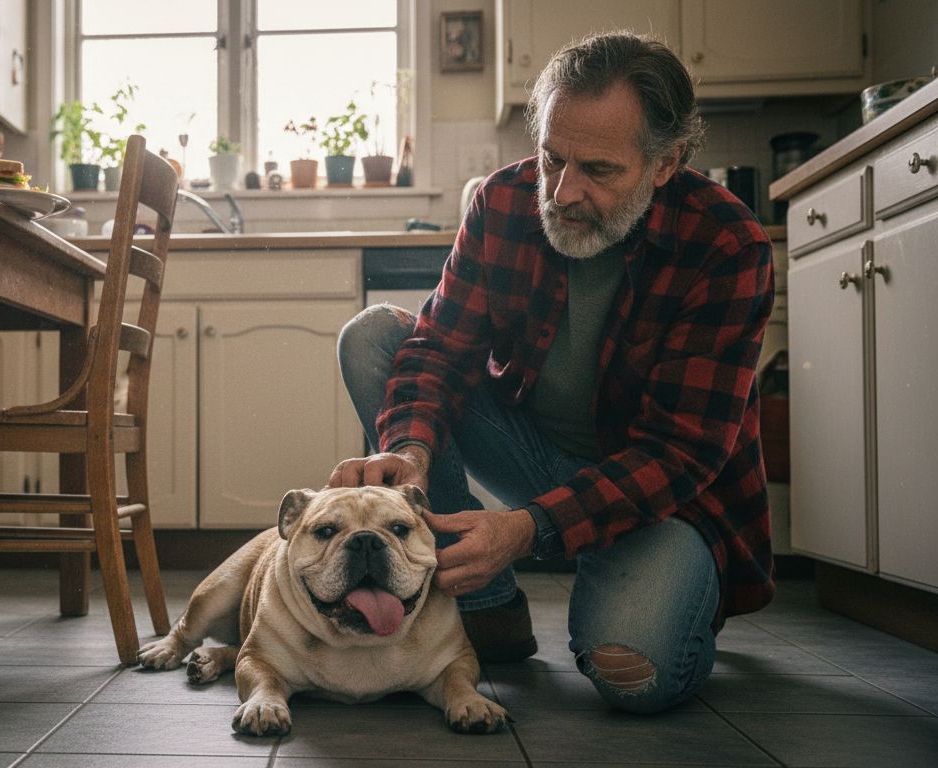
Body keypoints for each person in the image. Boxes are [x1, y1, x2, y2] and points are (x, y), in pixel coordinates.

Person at [329, 31, 775, 714]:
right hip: (537, 458)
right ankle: (487, 611)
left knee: (634, 677)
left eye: (598, 171)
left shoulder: (726, 244)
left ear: (665, 164)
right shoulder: (503, 204)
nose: (564, 192)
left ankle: (642, 585)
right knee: (377, 339)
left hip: (664, 503)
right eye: (551, 159)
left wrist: (528, 529)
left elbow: (679, 453)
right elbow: (439, 350)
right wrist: (410, 454)